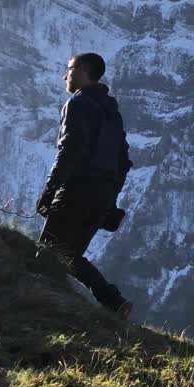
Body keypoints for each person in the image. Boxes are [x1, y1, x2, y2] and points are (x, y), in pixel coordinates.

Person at [35, 52, 135, 320]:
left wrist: (49, 191)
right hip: (101, 196)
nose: (65, 75)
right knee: (69, 253)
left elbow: (69, 151)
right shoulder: (112, 113)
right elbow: (123, 162)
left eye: (68, 69)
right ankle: (114, 301)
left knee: (49, 249)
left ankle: (41, 308)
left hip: (76, 189)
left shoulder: (78, 104)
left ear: (83, 70)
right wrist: (110, 201)